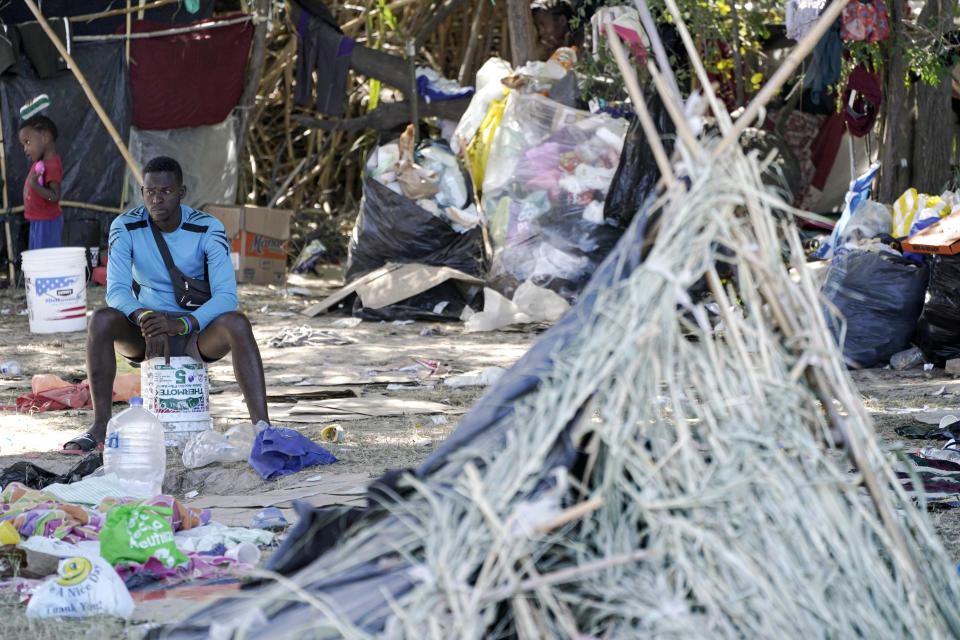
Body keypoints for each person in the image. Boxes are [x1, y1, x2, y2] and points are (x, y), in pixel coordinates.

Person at [63, 156, 269, 452]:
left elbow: (226, 296)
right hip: (145, 332)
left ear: (181, 192)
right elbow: (117, 291)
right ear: (142, 191)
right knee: (101, 318)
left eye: (166, 192)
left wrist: (180, 323)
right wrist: (146, 317)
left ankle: (263, 429)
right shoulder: (126, 226)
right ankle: (100, 427)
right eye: (150, 192)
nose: (157, 199)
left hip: (196, 331)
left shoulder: (208, 227)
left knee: (238, 323)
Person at [18, 114, 62, 250]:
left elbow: (54, 196)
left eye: (28, 143)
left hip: (47, 223)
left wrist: (35, 185)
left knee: (45, 260)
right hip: (38, 221)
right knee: (37, 257)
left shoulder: (52, 165)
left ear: (45, 138)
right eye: (23, 145)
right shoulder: (41, 161)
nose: (25, 149)